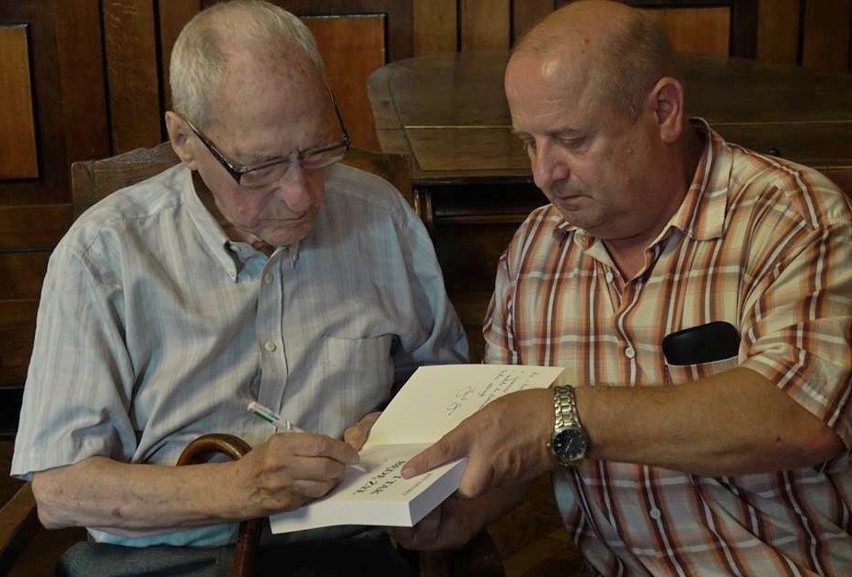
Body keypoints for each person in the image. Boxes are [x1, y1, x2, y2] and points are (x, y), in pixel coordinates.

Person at [395, 1, 852, 576]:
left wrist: (562, 415)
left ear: (663, 110)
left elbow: (800, 418)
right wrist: (452, 511)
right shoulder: (536, 249)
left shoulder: (789, 216)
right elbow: (517, 445)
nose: (543, 174)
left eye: (571, 139)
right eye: (528, 143)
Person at [11, 1, 467, 575]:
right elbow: (60, 491)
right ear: (184, 140)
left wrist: (393, 424)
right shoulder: (104, 254)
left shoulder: (381, 217)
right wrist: (238, 486)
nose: (302, 194)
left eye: (318, 150)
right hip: (161, 561)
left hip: (345, 554)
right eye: (261, 167)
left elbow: (446, 383)